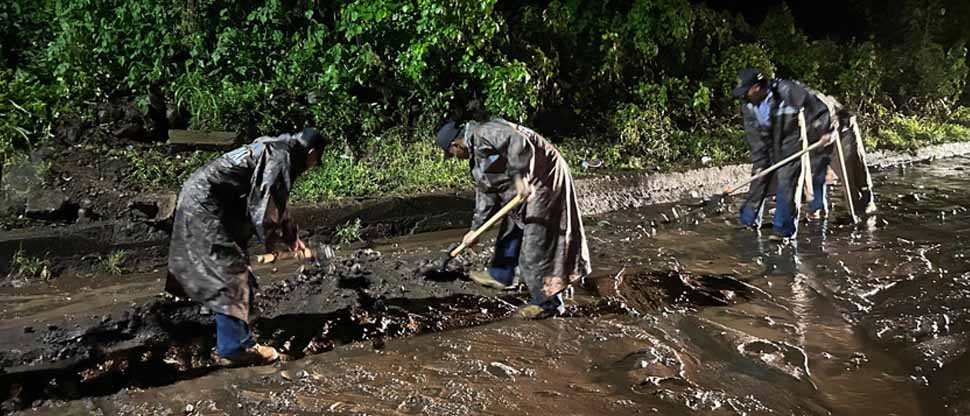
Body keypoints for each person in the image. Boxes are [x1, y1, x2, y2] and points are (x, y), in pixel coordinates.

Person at [165, 128, 326, 366]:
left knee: (230, 266)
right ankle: (235, 348)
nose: (312, 167)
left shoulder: (276, 147)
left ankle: (225, 325)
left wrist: (291, 236)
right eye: (315, 161)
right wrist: (274, 242)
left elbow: (274, 199)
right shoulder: (281, 156)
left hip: (210, 201)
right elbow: (267, 204)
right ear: (311, 154)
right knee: (231, 270)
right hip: (207, 204)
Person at [435, 118, 592, 319]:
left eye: (451, 154)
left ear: (456, 144)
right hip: (526, 185)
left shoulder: (486, 131)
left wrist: (520, 178)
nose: (455, 158)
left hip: (545, 178)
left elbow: (519, 143)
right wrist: (475, 229)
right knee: (512, 223)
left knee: (537, 244)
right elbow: (487, 194)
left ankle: (549, 303)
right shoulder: (477, 157)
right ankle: (502, 274)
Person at [732, 68, 875, 240]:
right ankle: (749, 223)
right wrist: (760, 163)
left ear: (756, 88)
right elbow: (756, 138)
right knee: (760, 178)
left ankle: (791, 228)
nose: (743, 96)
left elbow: (817, 107)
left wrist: (827, 130)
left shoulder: (787, 90)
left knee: (801, 178)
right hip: (783, 137)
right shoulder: (749, 106)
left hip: (822, 130)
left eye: (746, 91)